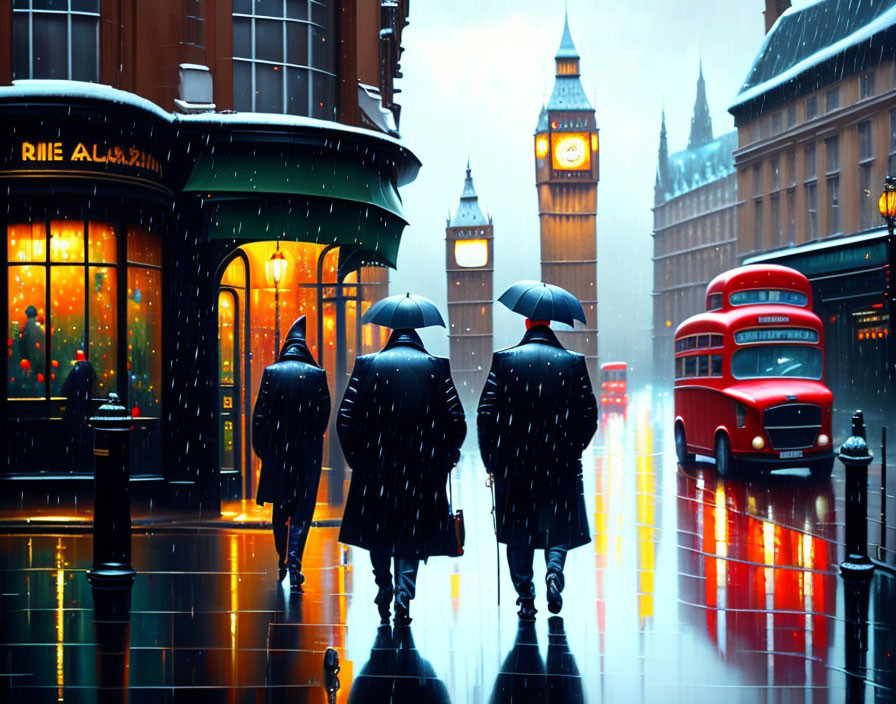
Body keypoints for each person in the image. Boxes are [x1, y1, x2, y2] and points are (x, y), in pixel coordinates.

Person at [337, 327, 466, 626]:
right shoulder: (436, 366)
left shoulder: (367, 365)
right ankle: (404, 596)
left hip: (376, 470)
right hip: (420, 471)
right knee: (410, 535)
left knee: (379, 533)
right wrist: (445, 456)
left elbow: (345, 417)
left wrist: (357, 459)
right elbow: (457, 421)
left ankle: (384, 584)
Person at [477, 319, 597, 620]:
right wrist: (573, 447)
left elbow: (485, 415)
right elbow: (589, 415)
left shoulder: (505, 362)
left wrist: (491, 460)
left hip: (515, 465)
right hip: (559, 465)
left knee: (520, 533)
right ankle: (554, 572)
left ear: (527, 323)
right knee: (556, 524)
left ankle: (526, 598)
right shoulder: (572, 363)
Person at [252, 316, 330, 594]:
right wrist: (309, 440)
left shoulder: (271, 373)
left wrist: (264, 451)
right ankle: (295, 560)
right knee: (301, 510)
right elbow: (323, 416)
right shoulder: (317, 375)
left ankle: (282, 558)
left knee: (280, 508)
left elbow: (259, 417)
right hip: (307, 454)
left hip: (278, 453)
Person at [61, 349, 96, 470]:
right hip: (84, 413)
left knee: (72, 442)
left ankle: (72, 464)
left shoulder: (75, 372)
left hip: (73, 413)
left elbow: (65, 389)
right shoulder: (89, 371)